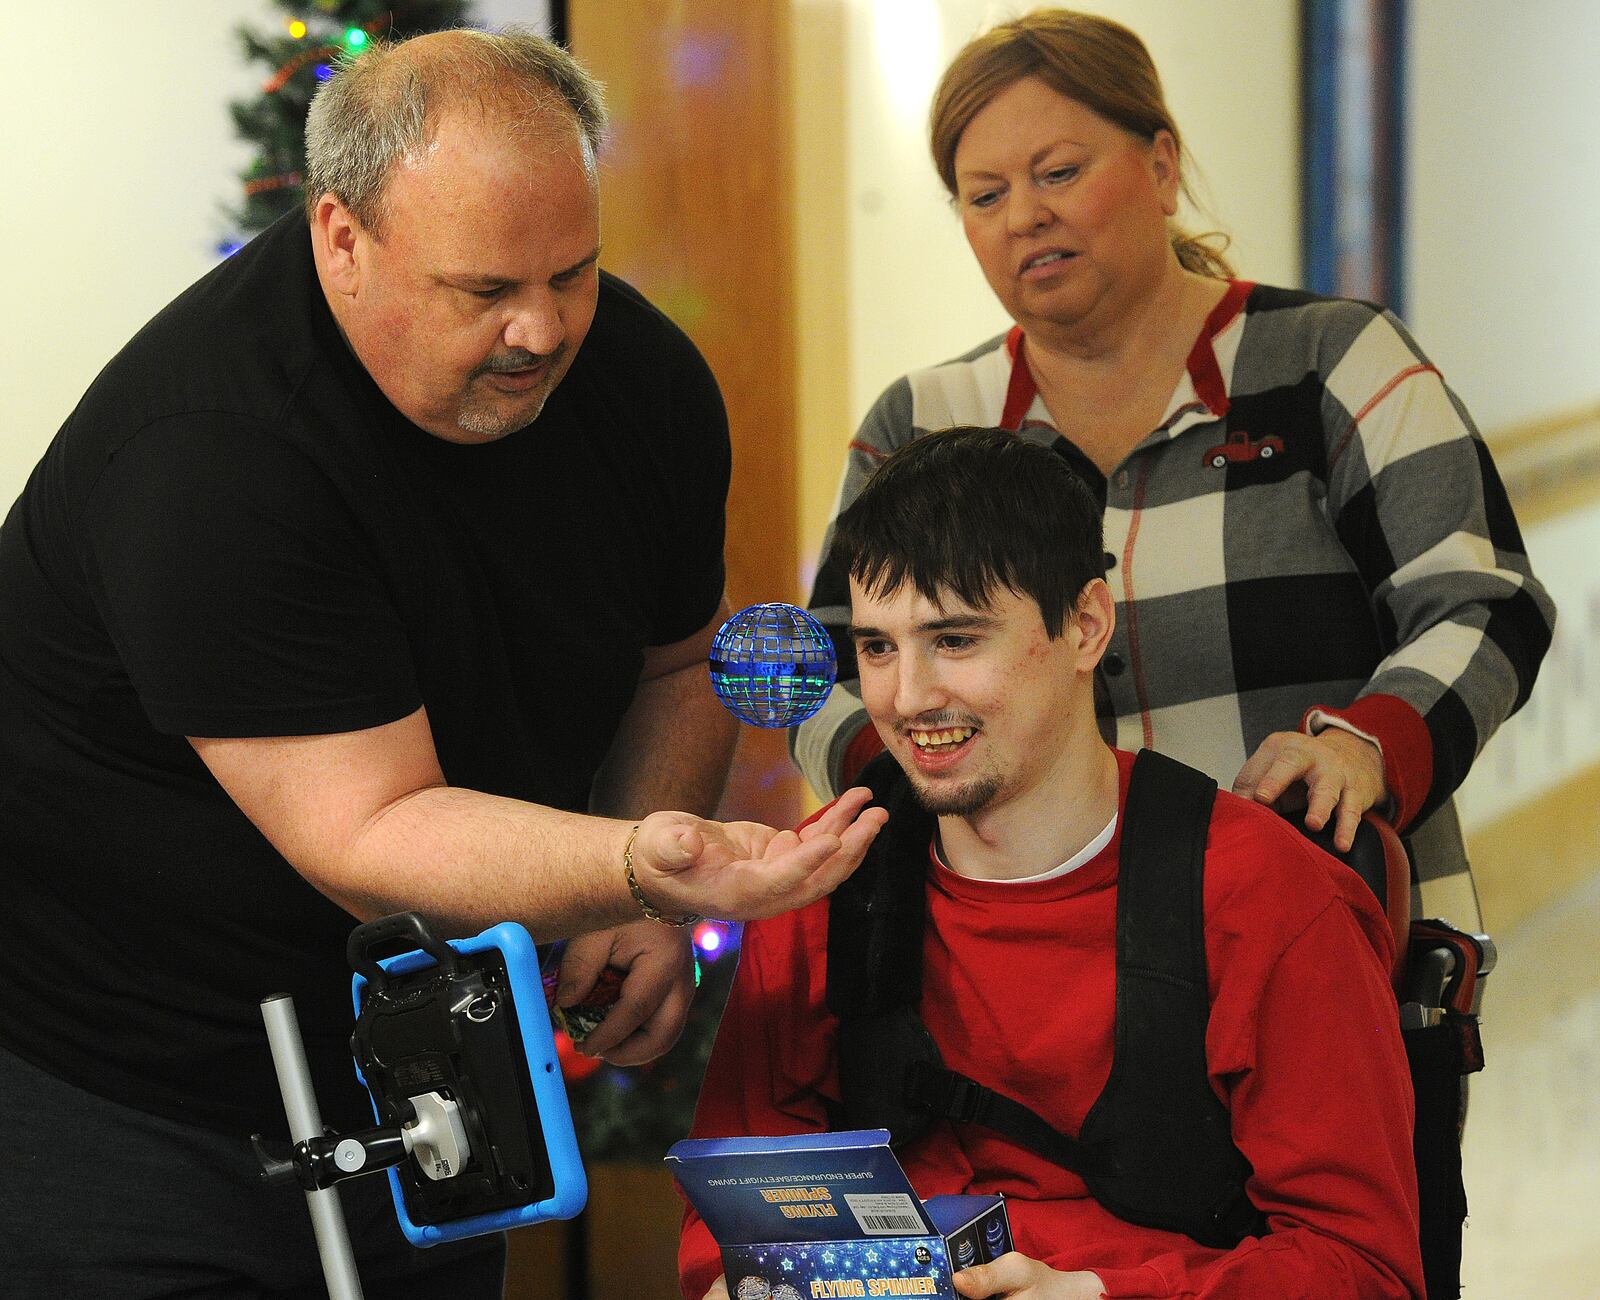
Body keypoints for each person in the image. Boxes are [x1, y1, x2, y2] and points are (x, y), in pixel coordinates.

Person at [0, 29, 884, 1298]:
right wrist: (640, 866)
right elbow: (368, 828)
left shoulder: (644, 384)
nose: (540, 329)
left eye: (570, 273)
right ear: (341, 238)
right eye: (483, 291)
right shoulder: (210, 453)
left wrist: (634, 882)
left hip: (428, 1049)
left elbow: (681, 657)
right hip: (113, 1074)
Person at [792, 9, 1554, 932]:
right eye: (984, 196)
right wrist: (911, 778)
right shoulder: (923, 422)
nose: (1025, 216)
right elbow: (816, 665)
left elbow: (1481, 599)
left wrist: (1370, 749)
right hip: (1033, 968)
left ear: (1160, 166)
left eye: (1060, 173)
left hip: (1332, 939)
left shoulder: (1330, 363)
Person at [680, 427, 1425, 1299]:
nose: (907, 697)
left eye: (954, 640)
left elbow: (1365, 1270)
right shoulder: (826, 887)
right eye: (879, 648)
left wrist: (1112, 1296)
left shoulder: (1268, 900)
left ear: (1085, 626)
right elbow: (729, 1222)